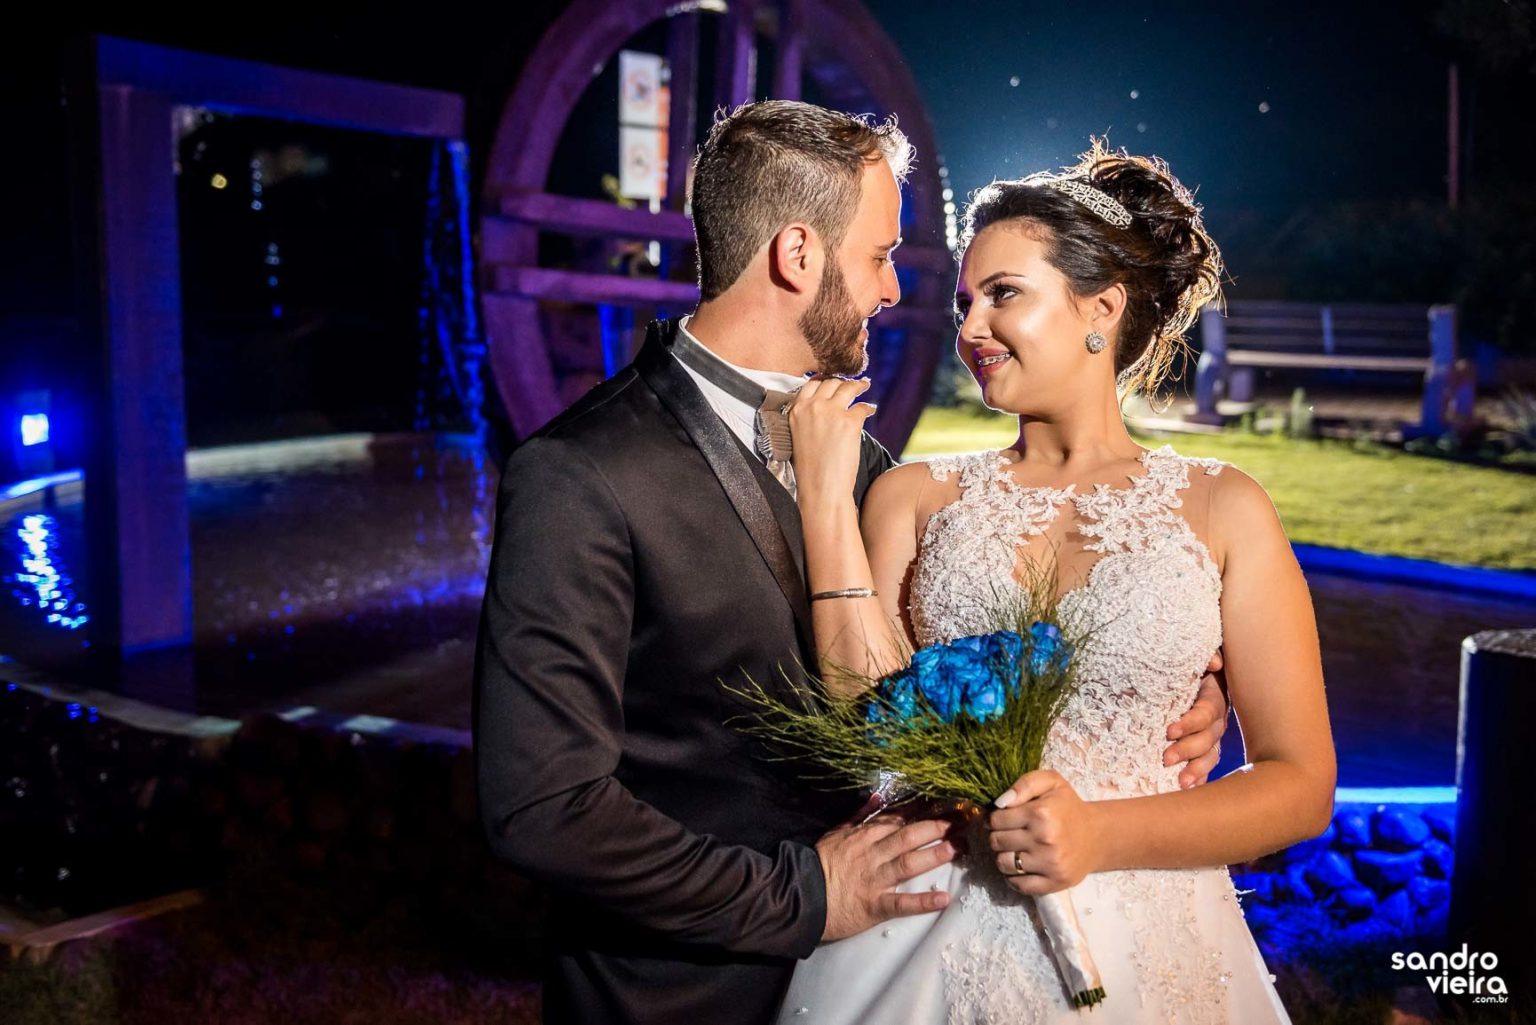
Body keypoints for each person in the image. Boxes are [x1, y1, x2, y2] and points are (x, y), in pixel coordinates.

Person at [472, 104, 1230, 1025]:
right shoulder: (581, 472)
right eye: (880, 255)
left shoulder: (869, 466)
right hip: (683, 995)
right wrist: (807, 896)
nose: (891, 289)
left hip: (887, 978)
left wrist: (1170, 683)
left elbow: (937, 668)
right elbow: (544, 807)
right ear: (799, 254)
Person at [776, 139, 1336, 1024]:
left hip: (1151, 940)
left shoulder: (1225, 507)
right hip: (931, 924)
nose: (969, 329)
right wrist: (823, 506)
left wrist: (1097, 834)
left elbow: (1300, 783)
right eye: (964, 302)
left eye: (1003, 294)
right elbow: (863, 712)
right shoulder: (913, 497)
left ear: (1101, 307)